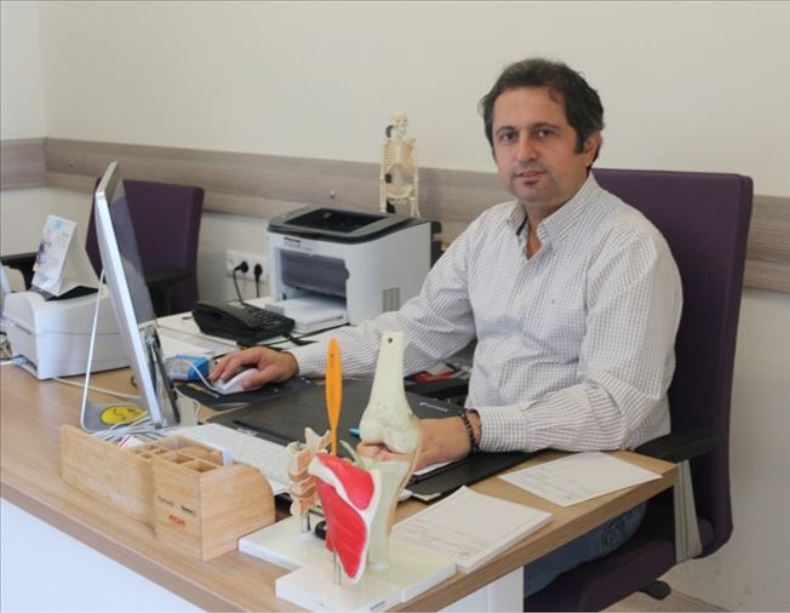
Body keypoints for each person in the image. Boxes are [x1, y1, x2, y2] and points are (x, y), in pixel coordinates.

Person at [211, 58, 682, 595]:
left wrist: (471, 430)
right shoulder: (489, 233)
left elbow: (614, 410)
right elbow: (416, 330)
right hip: (485, 463)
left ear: (590, 144)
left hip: (591, 486)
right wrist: (297, 359)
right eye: (508, 136)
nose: (524, 152)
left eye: (544, 133)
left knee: (423, 590)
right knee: (337, 555)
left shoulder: (629, 248)